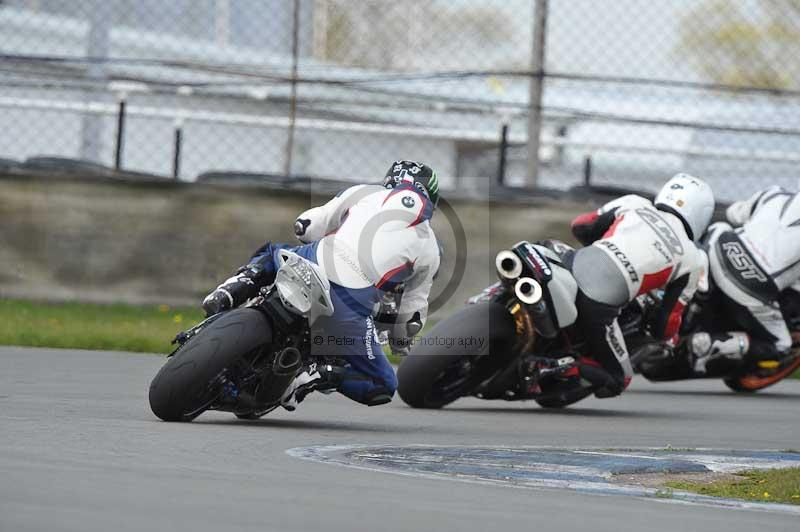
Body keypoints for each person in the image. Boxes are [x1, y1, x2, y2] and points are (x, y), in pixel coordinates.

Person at [201, 160, 441, 410]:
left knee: (274, 252)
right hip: (350, 300)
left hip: (314, 257)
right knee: (383, 384)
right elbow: (412, 314)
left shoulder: (363, 193)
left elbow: (306, 225)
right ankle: (315, 374)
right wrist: (400, 342)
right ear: (431, 198)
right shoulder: (430, 246)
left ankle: (234, 287)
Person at [566, 173, 714, 398]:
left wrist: (603, 250)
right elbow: (666, 323)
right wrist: (666, 337)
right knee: (619, 378)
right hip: (598, 304)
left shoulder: (633, 202)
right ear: (702, 215)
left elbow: (580, 225)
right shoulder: (692, 258)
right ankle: (557, 368)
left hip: (571, 265)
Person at [688, 185, 800, 375]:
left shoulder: (775, 193)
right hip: (749, 286)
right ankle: (708, 344)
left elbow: (733, 214)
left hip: (718, 250)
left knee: (720, 226)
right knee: (781, 345)